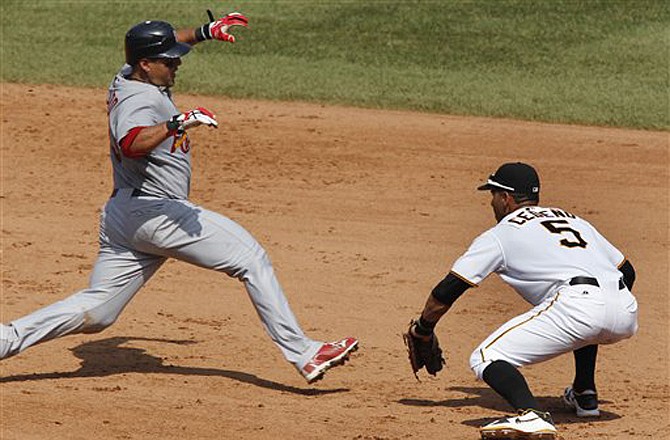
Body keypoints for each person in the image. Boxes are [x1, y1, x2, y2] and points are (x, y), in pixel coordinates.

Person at [0, 14, 358, 384]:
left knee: (99, 311)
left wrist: (203, 33)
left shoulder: (128, 74)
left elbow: (166, 40)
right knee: (250, 258)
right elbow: (131, 142)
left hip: (125, 216)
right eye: (169, 61)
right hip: (159, 213)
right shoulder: (138, 101)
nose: (177, 63)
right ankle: (304, 352)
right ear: (146, 64)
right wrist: (177, 123)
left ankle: (4, 339)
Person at [406, 162, 638, 439]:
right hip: (625, 307)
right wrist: (607, 307)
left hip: (579, 304)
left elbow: (449, 289)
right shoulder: (575, 220)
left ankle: (532, 415)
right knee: (584, 323)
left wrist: (423, 327)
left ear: (506, 198)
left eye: (493, 195)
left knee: (485, 356)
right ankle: (584, 393)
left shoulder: (500, 234)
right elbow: (627, 271)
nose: (491, 202)